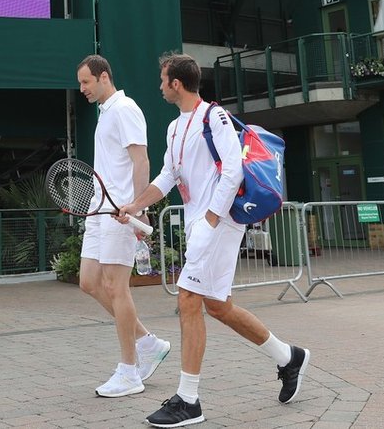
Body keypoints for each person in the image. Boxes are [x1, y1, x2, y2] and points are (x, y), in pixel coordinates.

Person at [117, 52, 310, 427]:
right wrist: (134, 205)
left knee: (188, 298)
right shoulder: (175, 128)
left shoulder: (214, 116)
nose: (159, 86)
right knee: (219, 307)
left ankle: (189, 400)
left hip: (218, 225)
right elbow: (167, 178)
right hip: (200, 227)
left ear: (176, 83)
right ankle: (290, 357)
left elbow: (234, 169)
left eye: (162, 80)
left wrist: (210, 218)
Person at [75, 54, 172, 398]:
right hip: (99, 210)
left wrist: (137, 207)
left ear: (103, 77)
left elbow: (141, 159)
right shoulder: (105, 114)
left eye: (86, 82)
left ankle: (129, 372)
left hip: (119, 211)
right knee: (89, 282)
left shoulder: (125, 108)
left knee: (117, 288)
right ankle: (147, 342)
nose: (82, 89)